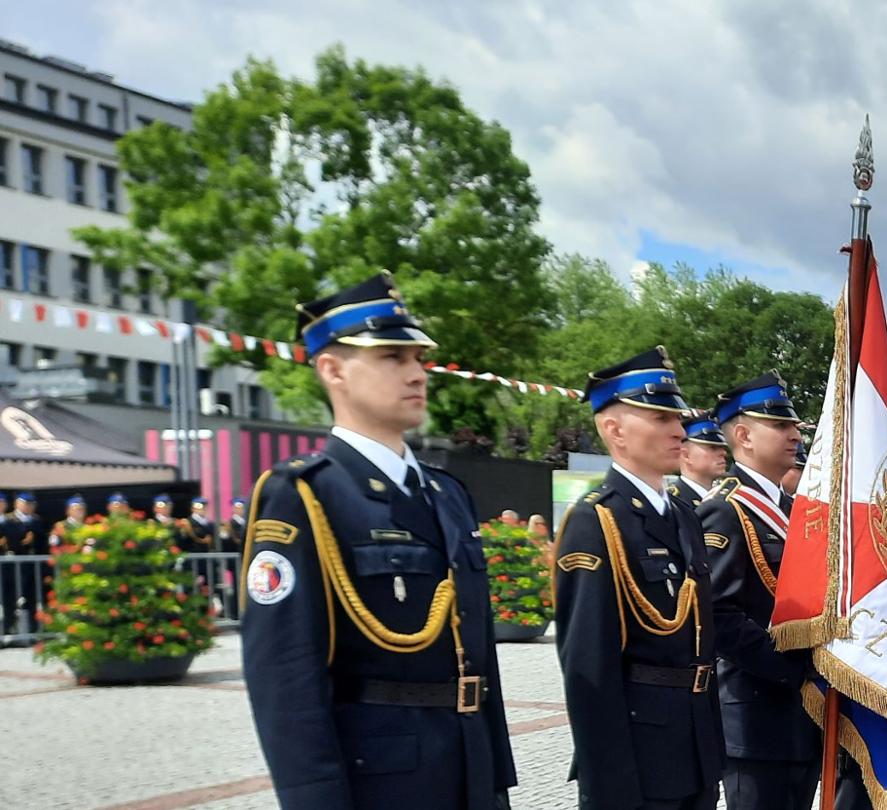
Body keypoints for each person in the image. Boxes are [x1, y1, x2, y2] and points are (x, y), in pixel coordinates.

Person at [239, 273, 515, 809]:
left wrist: (496, 779)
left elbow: (475, 657)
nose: (417, 373)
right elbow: (286, 677)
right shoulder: (305, 496)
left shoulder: (446, 491)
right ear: (333, 369)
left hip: (470, 773)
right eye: (392, 357)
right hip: (381, 785)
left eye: (418, 358)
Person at [553, 346, 720, 809]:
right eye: (660, 418)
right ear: (614, 429)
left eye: (678, 418)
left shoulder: (685, 514)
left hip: (694, 748)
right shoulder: (597, 521)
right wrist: (609, 781)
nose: (679, 430)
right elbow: (588, 668)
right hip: (639, 757)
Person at [694, 373, 816, 810]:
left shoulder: (793, 511)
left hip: (801, 713)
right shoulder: (724, 511)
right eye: (781, 426)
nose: (796, 435)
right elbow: (719, 617)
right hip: (755, 712)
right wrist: (796, 667)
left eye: (795, 426)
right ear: (743, 435)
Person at [1, 492, 46, 637]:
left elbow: (42, 544)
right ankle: (8, 630)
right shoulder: (7, 521)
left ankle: (33, 632)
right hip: (13, 567)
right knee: (11, 600)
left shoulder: (37, 520)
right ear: (17, 504)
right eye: (25, 503)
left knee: (32, 599)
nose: (29, 507)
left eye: (31, 504)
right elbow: (6, 543)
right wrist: (23, 542)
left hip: (32, 567)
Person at [668, 409, 729, 505]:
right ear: (686, 456)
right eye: (713, 448)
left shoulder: (727, 498)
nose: (724, 453)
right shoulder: (673, 503)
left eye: (722, 447)